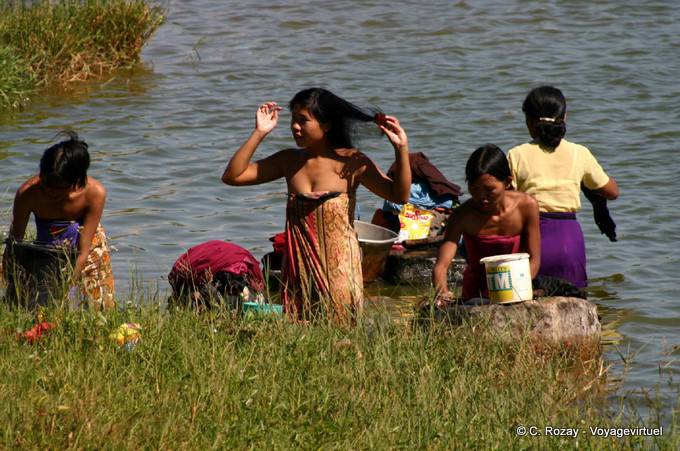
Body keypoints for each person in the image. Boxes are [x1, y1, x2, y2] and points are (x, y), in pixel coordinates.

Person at [222, 88, 411, 322]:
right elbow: (233, 176)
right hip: (299, 270)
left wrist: (401, 149)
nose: (295, 127)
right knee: (302, 335)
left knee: (341, 333)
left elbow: (399, 195)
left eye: (303, 120)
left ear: (327, 125)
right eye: (293, 119)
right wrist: (259, 132)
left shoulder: (352, 162)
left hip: (340, 271)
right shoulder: (289, 161)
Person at [508, 86, 619, 287]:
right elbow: (612, 191)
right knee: (575, 303)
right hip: (569, 239)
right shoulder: (579, 153)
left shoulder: (517, 155)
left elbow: (506, 202)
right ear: (565, 117)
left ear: (530, 123)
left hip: (533, 240)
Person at [3, 131, 115, 309]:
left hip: (87, 246)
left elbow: (83, 252)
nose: (50, 192)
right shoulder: (28, 193)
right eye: (46, 184)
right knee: (32, 303)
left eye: (58, 188)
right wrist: (14, 283)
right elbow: (16, 245)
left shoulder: (94, 193)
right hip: (47, 248)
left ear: (76, 182)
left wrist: (66, 286)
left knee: (95, 306)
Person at [432, 144, 540, 302]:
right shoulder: (462, 215)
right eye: (474, 189)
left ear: (508, 182)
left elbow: (535, 260)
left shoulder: (526, 206)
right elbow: (441, 266)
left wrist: (516, 289)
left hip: (516, 292)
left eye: (489, 190)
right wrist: (443, 293)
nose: (482, 196)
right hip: (475, 294)